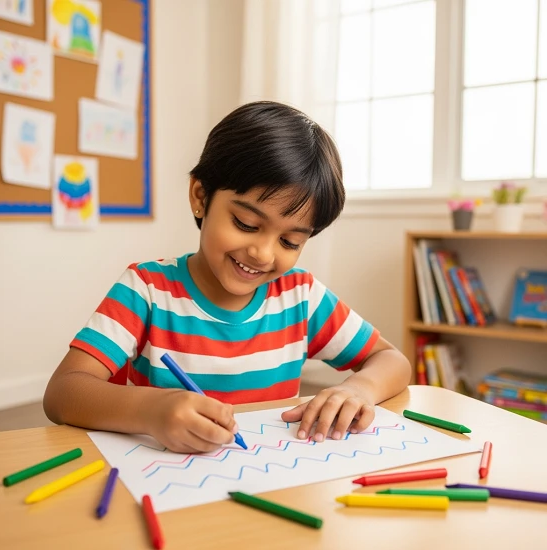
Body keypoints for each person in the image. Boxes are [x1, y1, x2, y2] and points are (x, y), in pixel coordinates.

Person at [44, 101, 411, 454]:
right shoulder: (147, 290)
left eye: (289, 241)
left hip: (269, 478)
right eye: (246, 224)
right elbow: (63, 392)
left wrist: (360, 389)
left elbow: (392, 361)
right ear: (200, 196)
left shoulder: (301, 296)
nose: (264, 254)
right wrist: (151, 410)